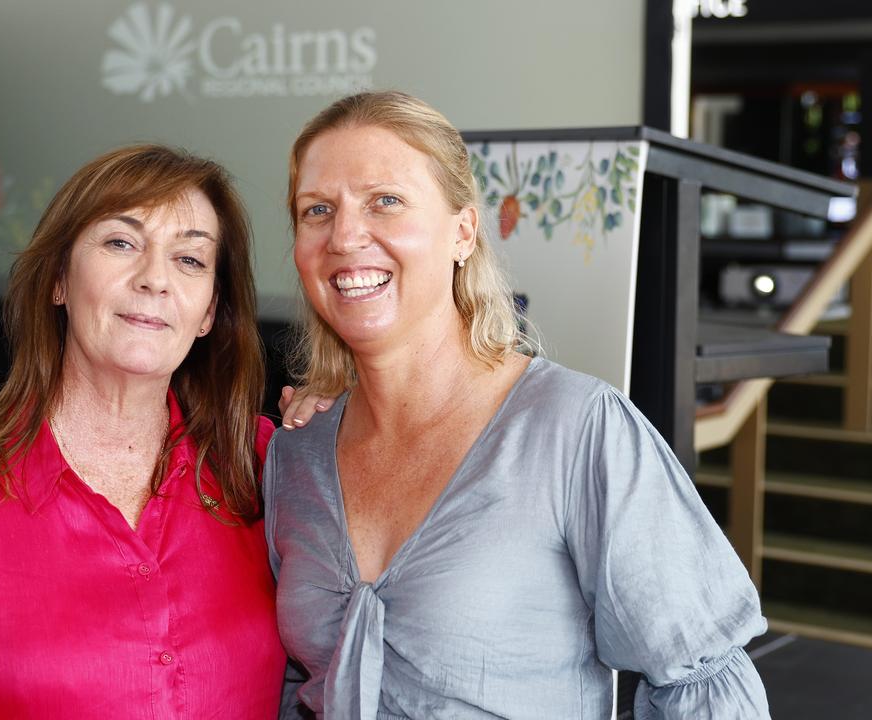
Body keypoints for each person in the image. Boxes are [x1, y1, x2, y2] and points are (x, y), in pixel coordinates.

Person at [265, 91, 770, 719]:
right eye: (317, 210)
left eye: (385, 202)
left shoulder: (575, 429)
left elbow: (704, 685)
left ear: (463, 232)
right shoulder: (296, 453)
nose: (345, 235)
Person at [0, 145, 285, 718]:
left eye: (190, 260)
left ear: (210, 311)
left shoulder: (263, 466)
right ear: (59, 280)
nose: (155, 279)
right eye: (121, 243)